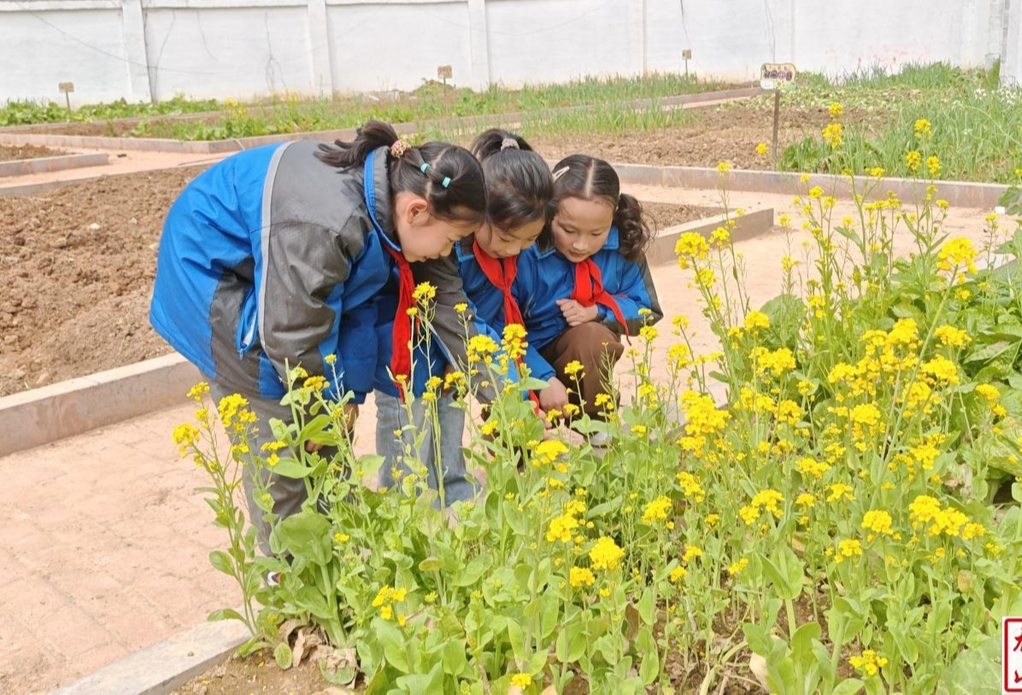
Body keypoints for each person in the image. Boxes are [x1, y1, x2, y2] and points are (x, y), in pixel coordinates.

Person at [150, 120, 487, 553]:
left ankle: (338, 559)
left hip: (280, 285)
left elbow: (417, 303)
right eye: (451, 240)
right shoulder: (329, 221)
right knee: (281, 433)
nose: (446, 252)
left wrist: (501, 390)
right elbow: (291, 332)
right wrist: (319, 409)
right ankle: (289, 581)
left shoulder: (393, 197)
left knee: (326, 436)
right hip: (209, 273)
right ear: (417, 211)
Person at [374, 129, 556, 505]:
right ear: (478, 216)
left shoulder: (501, 256)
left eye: (525, 243)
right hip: (411, 354)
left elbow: (501, 327)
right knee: (410, 436)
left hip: (459, 356)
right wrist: (509, 396)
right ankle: (403, 512)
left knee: (450, 428)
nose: (515, 251)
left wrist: (525, 386)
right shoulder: (444, 245)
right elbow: (461, 319)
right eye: (508, 239)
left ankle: (455, 498)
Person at [515, 153, 663, 437]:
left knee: (593, 339)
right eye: (568, 230)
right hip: (524, 355)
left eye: (597, 232)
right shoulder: (524, 247)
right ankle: (520, 448)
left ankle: (597, 429)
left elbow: (647, 309)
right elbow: (499, 325)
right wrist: (541, 378)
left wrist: (598, 311)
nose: (581, 244)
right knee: (515, 420)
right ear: (548, 212)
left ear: (614, 216)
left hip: (579, 354)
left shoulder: (622, 247)